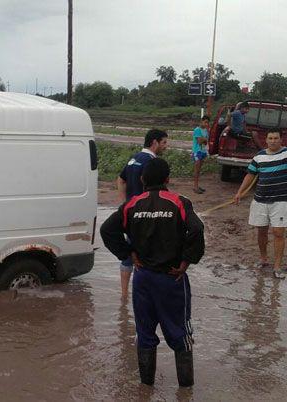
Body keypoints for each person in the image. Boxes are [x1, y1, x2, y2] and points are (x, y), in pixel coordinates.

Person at [101, 158, 205, 387]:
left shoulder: (131, 205)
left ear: (141, 179)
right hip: (172, 278)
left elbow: (107, 230)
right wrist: (187, 261)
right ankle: (185, 390)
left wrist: (128, 254)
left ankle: (145, 389)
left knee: (145, 335)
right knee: (181, 335)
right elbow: (197, 229)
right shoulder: (179, 202)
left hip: (142, 279)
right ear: (168, 179)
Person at [233, 131, 287, 279]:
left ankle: (277, 267)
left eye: (276, 138)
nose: (273, 141)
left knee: (278, 233)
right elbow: (250, 174)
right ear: (266, 140)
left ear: (281, 140)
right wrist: (239, 192)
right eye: (270, 138)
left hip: (280, 201)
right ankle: (263, 259)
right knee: (261, 232)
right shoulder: (259, 156)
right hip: (260, 200)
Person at [115, 129, 168, 298]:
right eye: (164, 142)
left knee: (129, 253)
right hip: (147, 215)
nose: (166, 146)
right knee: (146, 254)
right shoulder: (152, 163)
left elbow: (120, 179)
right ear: (154, 142)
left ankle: (124, 295)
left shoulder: (134, 158)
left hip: (131, 214)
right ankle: (144, 294)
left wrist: (125, 204)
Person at [192, 115, 210, 194]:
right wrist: (204, 139)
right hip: (197, 151)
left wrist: (204, 139)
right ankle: (195, 187)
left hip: (203, 151)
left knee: (199, 170)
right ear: (201, 121)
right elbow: (199, 141)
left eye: (207, 123)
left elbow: (205, 141)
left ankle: (197, 186)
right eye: (205, 122)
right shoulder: (197, 130)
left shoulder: (205, 130)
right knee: (197, 170)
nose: (206, 124)